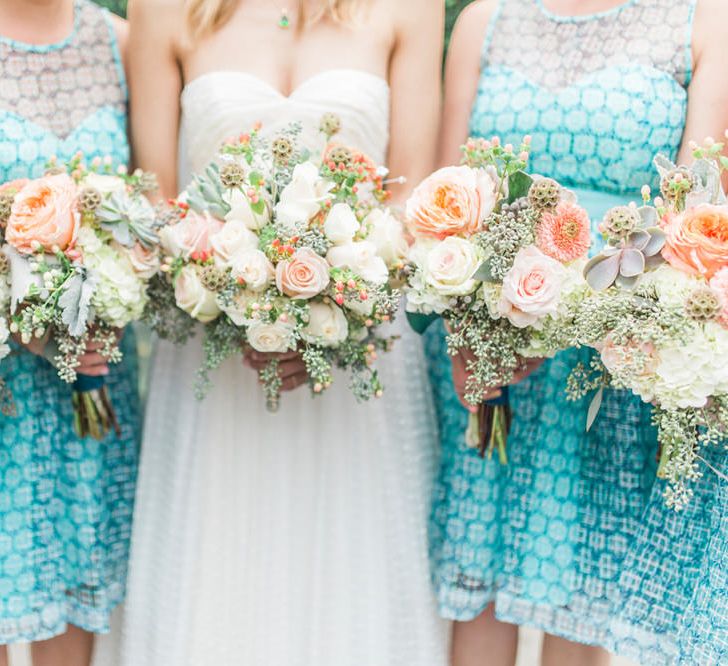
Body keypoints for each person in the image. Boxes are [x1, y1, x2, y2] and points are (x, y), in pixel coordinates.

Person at [93, 1, 448, 664]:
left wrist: (339, 302)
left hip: (360, 362)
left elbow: (413, 194)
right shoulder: (164, 11)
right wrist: (239, 292)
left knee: (354, 564)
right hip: (213, 355)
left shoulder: (408, 9)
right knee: (220, 564)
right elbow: (154, 196)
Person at [428, 1, 728, 665]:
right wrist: (469, 331)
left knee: (580, 593)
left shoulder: (702, 22)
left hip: (613, 352)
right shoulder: (485, 19)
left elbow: (693, 215)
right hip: (490, 345)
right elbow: (444, 197)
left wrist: (590, 316)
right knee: (476, 586)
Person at [0, 1, 140, 665]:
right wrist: (20, 313)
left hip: (91, 375)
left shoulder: (119, 44)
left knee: (76, 590)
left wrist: (116, 291)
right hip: (6, 378)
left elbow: (152, 208)